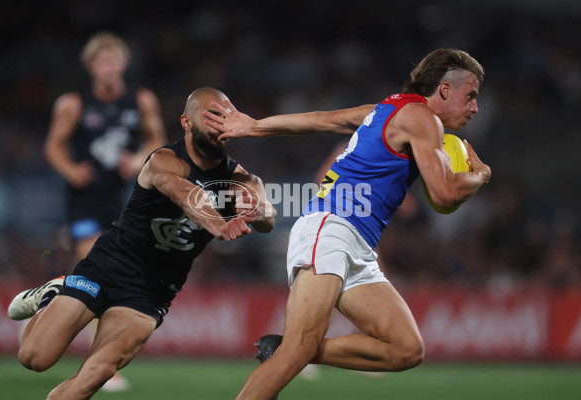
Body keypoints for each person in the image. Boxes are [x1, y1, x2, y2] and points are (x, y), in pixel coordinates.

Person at [204, 48, 491, 399]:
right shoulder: (422, 118)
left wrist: (255, 126)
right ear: (445, 90)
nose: (474, 107)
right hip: (332, 228)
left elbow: (322, 119)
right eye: (471, 95)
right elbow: (445, 194)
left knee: (406, 348)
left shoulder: (388, 109)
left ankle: (295, 347)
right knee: (297, 352)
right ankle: (296, 348)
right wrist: (480, 176)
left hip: (355, 242)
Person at [8, 87, 277, 400]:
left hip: (152, 292)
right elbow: (181, 192)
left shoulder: (241, 179)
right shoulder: (164, 160)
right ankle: (54, 291)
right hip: (107, 267)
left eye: (228, 118)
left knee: (98, 372)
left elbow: (268, 215)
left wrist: (257, 211)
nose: (222, 126)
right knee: (34, 358)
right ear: (187, 123)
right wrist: (217, 224)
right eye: (213, 118)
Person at [43, 31, 167, 391]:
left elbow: (156, 138)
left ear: (123, 64)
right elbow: (53, 146)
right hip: (83, 200)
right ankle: (103, 369)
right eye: (102, 62)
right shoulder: (73, 104)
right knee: (98, 271)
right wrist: (71, 170)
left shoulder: (140, 100)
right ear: (92, 67)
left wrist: (137, 158)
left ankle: (48, 303)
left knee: (97, 274)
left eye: (114, 61)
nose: (109, 68)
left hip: (120, 200)